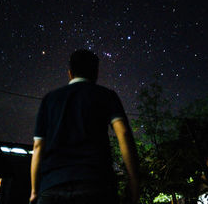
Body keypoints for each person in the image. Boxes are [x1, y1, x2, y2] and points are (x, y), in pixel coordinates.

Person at [30, 49, 139, 204]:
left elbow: (38, 146)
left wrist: (34, 190)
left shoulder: (49, 99)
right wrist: (134, 181)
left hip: (52, 187)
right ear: (96, 73)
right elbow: (124, 133)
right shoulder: (106, 95)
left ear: (70, 73)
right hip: (96, 184)